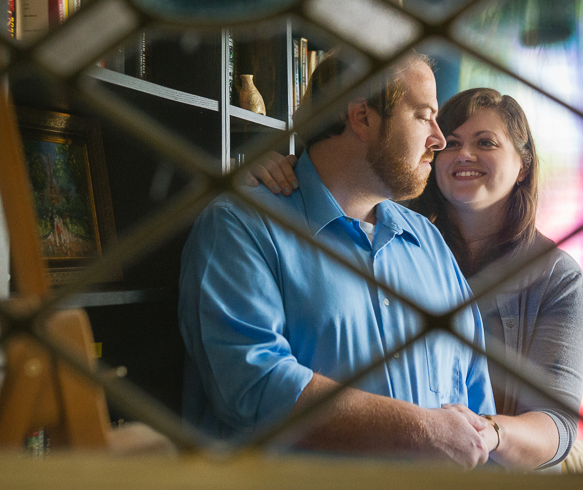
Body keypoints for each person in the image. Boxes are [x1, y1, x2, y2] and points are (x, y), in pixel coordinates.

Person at [179, 54, 498, 468]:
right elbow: (254, 385)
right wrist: (421, 431)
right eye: (424, 117)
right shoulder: (241, 227)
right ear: (362, 117)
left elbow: (474, 403)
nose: (439, 139)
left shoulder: (431, 245)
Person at [250, 87, 583, 471]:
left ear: (524, 165)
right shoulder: (395, 237)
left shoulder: (557, 278)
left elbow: (558, 423)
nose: (464, 154)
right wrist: (280, 173)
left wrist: (484, 433)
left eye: (486, 143)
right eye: (452, 143)